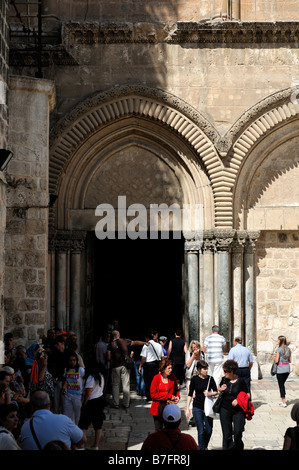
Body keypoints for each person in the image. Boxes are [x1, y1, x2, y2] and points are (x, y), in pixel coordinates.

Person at [20, 390, 85, 450]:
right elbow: (82, 440)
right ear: (50, 404)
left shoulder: (26, 426)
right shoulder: (63, 420)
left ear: (31, 406)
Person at [107, 330, 148, 409]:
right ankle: (126, 403)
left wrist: (112, 362)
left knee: (115, 385)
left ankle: (116, 403)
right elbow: (135, 342)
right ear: (118, 335)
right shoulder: (125, 341)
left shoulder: (110, 345)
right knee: (126, 384)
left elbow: (108, 358)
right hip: (125, 366)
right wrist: (145, 343)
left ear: (113, 336)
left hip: (115, 366)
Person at [185, 359, 217, 450]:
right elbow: (190, 394)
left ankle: (204, 445)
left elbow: (216, 391)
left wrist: (209, 394)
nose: (206, 370)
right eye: (204, 369)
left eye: (207, 368)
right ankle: (201, 448)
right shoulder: (195, 379)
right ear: (199, 370)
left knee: (209, 430)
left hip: (208, 408)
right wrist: (187, 408)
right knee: (201, 431)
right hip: (197, 407)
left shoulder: (210, 379)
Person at [218, 360, 249, 450]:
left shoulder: (240, 381)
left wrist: (238, 400)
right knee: (227, 434)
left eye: (226, 371)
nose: (224, 373)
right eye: (224, 371)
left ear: (232, 371)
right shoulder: (224, 379)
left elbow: (247, 394)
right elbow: (218, 388)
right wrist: (221, 389)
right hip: (225, 409)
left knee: (237, 432)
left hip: (238, 410)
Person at [78, 358, 106, 450]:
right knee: (98, 425)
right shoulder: (101, 376)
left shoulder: (90, 378)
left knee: (83, 425)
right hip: (99, 400)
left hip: (91, 402)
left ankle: (82, 445)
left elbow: (88, 393)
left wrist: (84, 404)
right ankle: (96, 445)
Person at [150, 359, 180, 431]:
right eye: (169, 368)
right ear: (163, 369)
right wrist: (168, 396)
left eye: (171, 368)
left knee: (169, 428)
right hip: (158, 407)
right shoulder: (156, 378)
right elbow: (153, 395)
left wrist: (178, 397)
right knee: (158, 429)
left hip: (169, 407)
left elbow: (176, 390)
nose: (171, 370)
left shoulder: (173, 377)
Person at [139, 330, 164, 402]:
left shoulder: (146, 345)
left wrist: (140, 365)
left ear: (147, 338)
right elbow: (162, 357)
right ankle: (156, 395)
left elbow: (143, 357)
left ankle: (149, 396)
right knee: (156, 381)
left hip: (148, 364)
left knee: (148, 381)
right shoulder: (159, 345)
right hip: (157, 364)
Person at [62, 351, 85, 425]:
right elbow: (65, 379)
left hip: (77, 396)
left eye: (74, 360)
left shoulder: (80, 370)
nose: (72, 362)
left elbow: (84, 381)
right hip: (68, 395)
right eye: (70, 360)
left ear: (77, 361)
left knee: (78, 415)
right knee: (68, 415)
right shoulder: (66, 370)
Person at [47, 335, 67, 413]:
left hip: (65, 382)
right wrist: (52, 378)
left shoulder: (68, 353)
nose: (55, 346)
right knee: (56, 405)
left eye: (57, 344)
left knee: (65, 406)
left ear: (62, 343)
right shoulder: (53, 355)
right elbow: (49, 368)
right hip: (56, 381)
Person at [275, 335, 292, 408]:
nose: (277, 341)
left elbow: (276, 360)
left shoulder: (278, 350)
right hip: (287, 369)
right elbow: (290, 360)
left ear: (280, 341)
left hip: (280, 369)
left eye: (278, 340)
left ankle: (284, 401)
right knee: (282, 384)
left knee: (281, 385)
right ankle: (282, 399)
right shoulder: (288, 349)